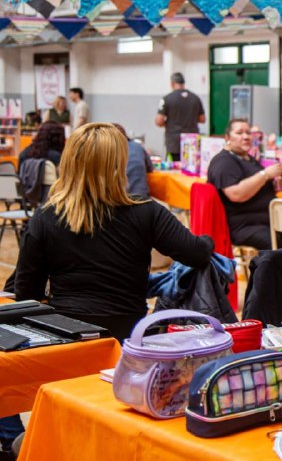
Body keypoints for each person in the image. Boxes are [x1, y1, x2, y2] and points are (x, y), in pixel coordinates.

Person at [14, 123, 214, 341]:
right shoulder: (146, 212)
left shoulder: (45, 217)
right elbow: (196, 253)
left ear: (68, 163)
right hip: (126, 335)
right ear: (119, 165)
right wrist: (208, 241)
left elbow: (26, 292)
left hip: (66, 335)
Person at [207, 118, 282, 251]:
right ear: (227, 137)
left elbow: (255, 185)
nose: (246, 137)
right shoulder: (223, 162)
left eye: (248, 132)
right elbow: (236, 194)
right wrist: (265, 174)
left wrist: (274, 185)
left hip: (266, 219)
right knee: (271, 240)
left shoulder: (248, 158)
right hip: (243, 225)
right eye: (239, 133)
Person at [155, 72, 205, 162]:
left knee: (176, 166)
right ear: (183, 83)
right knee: (191, 165)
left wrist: (169, 123)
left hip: (174, 141)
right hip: (192, 140)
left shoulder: (167, 99)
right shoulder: (196, 98)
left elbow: (159, 121)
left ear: (172, 83)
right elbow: (202, 119)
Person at [113, 124, 153, 198]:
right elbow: (150, 168)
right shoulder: (138, 146)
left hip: (121, 198)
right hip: (143, 195)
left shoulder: (111, 150)